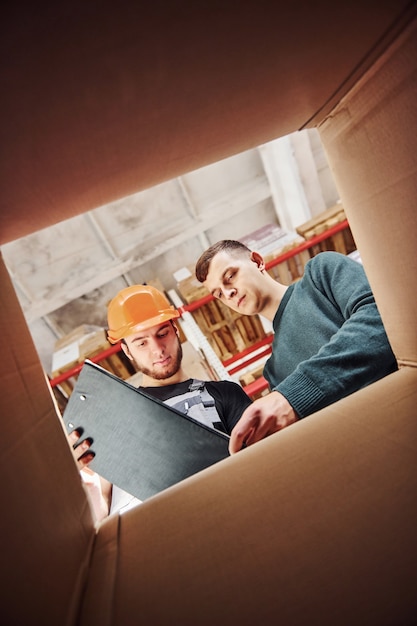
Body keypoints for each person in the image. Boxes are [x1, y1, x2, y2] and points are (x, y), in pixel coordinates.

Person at [195, 240, 398, 454]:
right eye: (218, 294)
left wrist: (292, 397)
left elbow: (383, 317)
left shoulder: (321, 274)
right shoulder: (275, 372)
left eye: (230, 276)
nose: (228, 294)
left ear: (257, 261)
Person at [69, 283, 252, 517]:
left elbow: (258, 464)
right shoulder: (113, 416)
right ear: (126, 351)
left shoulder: (224, 394)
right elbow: (102, 502)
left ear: (176, 331)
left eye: (162, 333)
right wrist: (84, 485)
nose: (157, 350)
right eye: (141, 342)